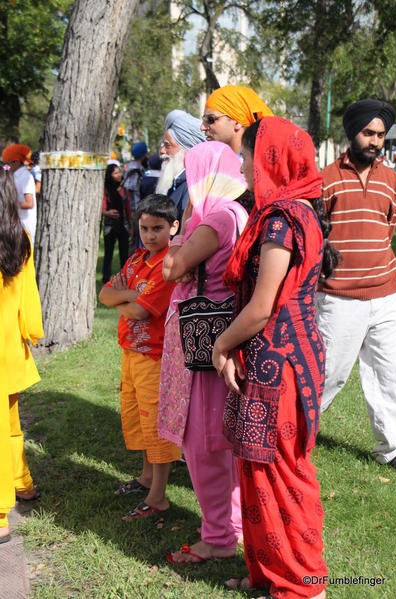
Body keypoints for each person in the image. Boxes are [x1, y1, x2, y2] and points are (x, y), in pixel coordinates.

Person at [212, 117, 338, 597]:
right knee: (258, 468)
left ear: (271, 159)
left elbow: (262, 307)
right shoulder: (292, 210)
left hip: (278, 363)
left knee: (280, 473)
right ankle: (268, 573)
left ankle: (303, 585)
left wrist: (222, 345)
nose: (241, 164)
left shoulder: (283, 219)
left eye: (246, 154)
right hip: (276, 357)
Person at [159, 141, 248, 563]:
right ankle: (232, 525)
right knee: (219, 440)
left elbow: (171, 269)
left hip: (205, 340)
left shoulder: (215, 218)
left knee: (205, 442)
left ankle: (218, 538)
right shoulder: (233, 213)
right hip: (215, 335)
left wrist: (176, 243)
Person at [317, 98, 396, 469]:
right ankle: (297, 434)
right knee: (328, 373)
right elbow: (318, 234)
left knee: (389, 372)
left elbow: (388, 228)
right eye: (368, 133)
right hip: (338, 297)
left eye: (380, 135)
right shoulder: (326, 179)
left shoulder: (392, 180)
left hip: (386, 293)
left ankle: (393, 449)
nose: (375, 141)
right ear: (353, 133)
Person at [99, 194, 181, 521]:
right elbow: (105, 293)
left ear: (173, 226)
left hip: (155, 356)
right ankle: (146, 477)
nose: (150, 235)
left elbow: (139, 312)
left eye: (157, 228)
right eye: (144, 228)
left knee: (156, 422)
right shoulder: (137, 259)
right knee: (137, 418)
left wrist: (127, 300)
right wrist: (129, 298)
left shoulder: (168, 264)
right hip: (131, 352)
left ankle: (158, 495)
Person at [0, 166, 44, 543]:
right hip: (11, 349)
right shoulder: (20, 239)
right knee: (9, 423)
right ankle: (22, 483)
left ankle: (0, 512)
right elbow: (28, 300)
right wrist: (31, 333)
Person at [156, 109, 205, 222]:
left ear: (187, 149)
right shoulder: (177, 183)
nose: (162, 150)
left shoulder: (192, 189)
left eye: (167, 145)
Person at [201, 84, 273, 154]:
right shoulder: (215, 162)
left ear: (237, 122)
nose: (202, 127)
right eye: (204, 119)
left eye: (210, 119)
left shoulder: (254, 165)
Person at [2, 144, 37, 248]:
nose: (5, 167)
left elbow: (29, 203)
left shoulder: (26, 177)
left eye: (7, 164)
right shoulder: (15, 175)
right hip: (16, 224)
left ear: (16, 162)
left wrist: (9, 203)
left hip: (25, 225)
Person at [102, 163, 132, 284]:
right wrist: (107, 213)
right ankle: (105, 278)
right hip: (110, 226)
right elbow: (102, 209)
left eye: (119, 172)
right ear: (109, 175)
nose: (119, 175)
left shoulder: (124, 191)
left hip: (123, 225)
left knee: (124, 253)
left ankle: (125, 278)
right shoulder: (106, 190)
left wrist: (131, 226)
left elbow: (128, 210)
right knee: (108, 253)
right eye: (115, 173)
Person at [124, 141, 148, 251]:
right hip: (134, 208)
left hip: (128, 208)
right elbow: (131, 189)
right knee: (133, 238)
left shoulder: (128, 166)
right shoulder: (136, 169)